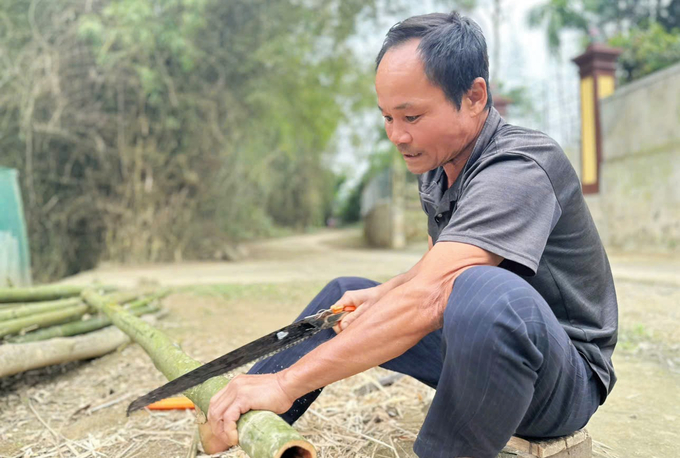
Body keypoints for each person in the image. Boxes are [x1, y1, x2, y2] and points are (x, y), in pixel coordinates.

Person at [206, 11, 618, 458]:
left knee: (482, 290)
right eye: (387, 117)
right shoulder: (438, 168)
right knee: (348, 295)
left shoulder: (521, 167)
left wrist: (290, 382)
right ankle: (240, 416)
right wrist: (383, 292)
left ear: (475, 95)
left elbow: (435, 293)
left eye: (412, 116)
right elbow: (433, 267)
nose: (397, 136)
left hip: (561, 381)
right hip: (480, 351)